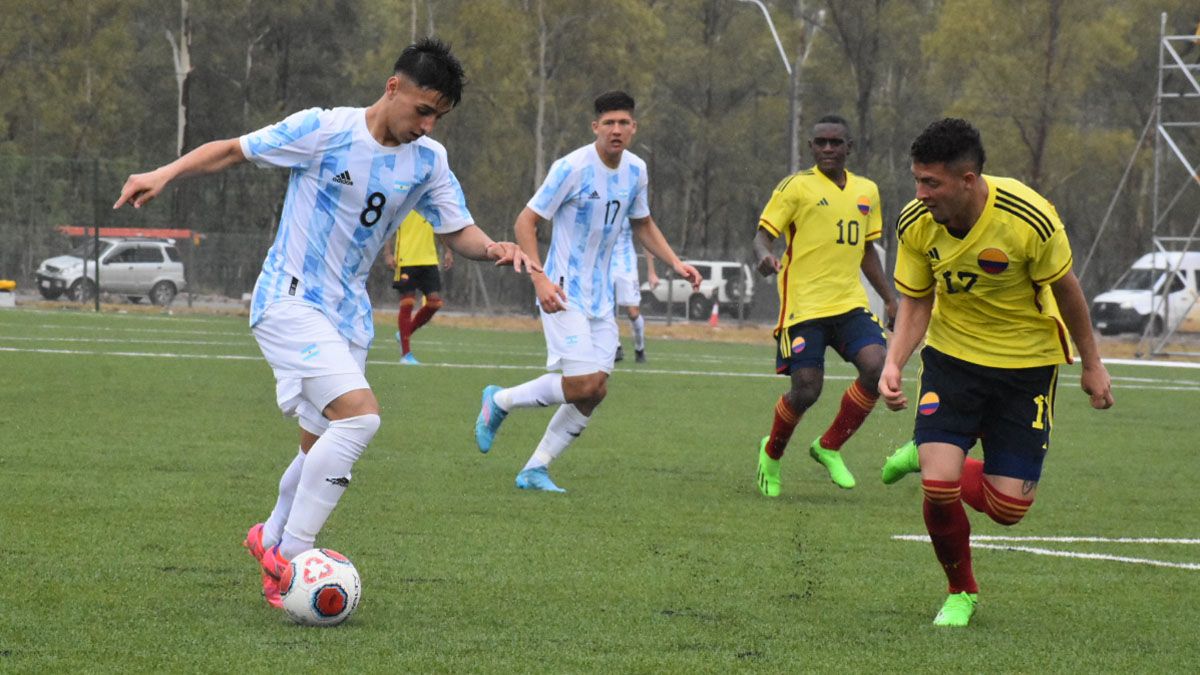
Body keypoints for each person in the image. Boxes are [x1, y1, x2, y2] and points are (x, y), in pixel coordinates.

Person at [113, 38, 532, 609]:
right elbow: (233, 150)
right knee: (360, 419)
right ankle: (293, 558)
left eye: (438, 116)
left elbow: (458, 229)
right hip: (289, 300)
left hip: (348, 316)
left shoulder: (429, 161)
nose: (428, 125)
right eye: (422, 110)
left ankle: (269, 536)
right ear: (393, 87)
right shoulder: (325, 129)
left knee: (317, 449)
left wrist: (495, 248)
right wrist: (164, 173)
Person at [877, 118, 1114, 627]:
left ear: (968, 180)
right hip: (952, 359)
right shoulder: (915, 221)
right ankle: (960, 590)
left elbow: (1068, 292)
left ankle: (925, 452)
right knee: (939, 489)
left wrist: (1092, 365)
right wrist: (894, 361)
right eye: (916, 180)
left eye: (931, 183)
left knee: (1008, 509)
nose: (919, 194)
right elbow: (916, 299)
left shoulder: (1029, 217)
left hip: (1026, 367)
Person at [473, 90, 700, 492]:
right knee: (580, 384)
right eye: (608, 123)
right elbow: (526, 222)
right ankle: (501, 400)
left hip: (601, 298)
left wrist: (675, 263)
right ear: (595, 127)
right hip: (562, 291)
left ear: (634, 128)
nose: (616, 129)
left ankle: (535, 468)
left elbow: (642, 223)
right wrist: (539, 278)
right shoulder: (571, 168)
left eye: (623, 122)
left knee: (595, 391)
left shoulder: (636, 170)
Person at [751, 114, 898, 497]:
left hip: (849, 303)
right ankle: (771, 453)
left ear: (850, 147)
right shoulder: (796, 187)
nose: (828, 148)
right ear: (811, 147)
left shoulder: (867, 191)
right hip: (804, 307)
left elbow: (867, 251)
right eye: (821, 142)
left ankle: (829, 446)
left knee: (877, 369)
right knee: (806, 390)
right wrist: (764, 256)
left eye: (835, 142)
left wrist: (889, 298)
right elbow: (762, 237)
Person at [383, 210, 453, 365]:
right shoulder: (403, 201)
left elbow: (440, 227)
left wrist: (448, 250)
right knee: (407, 303)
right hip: (406, 259)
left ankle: (405, 332)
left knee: (435, 303)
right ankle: (406, 355)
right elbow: (387, 226)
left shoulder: (430, 202)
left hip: (429, 259)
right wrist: (387, 253)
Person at [612, 220, 658, 363]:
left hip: (627, 266)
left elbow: (645, 237)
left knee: (633, 312)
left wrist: (651, 272)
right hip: (604, 264)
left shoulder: (630, 209)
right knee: (605, 309)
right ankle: (616, 346)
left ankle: (639, 348)